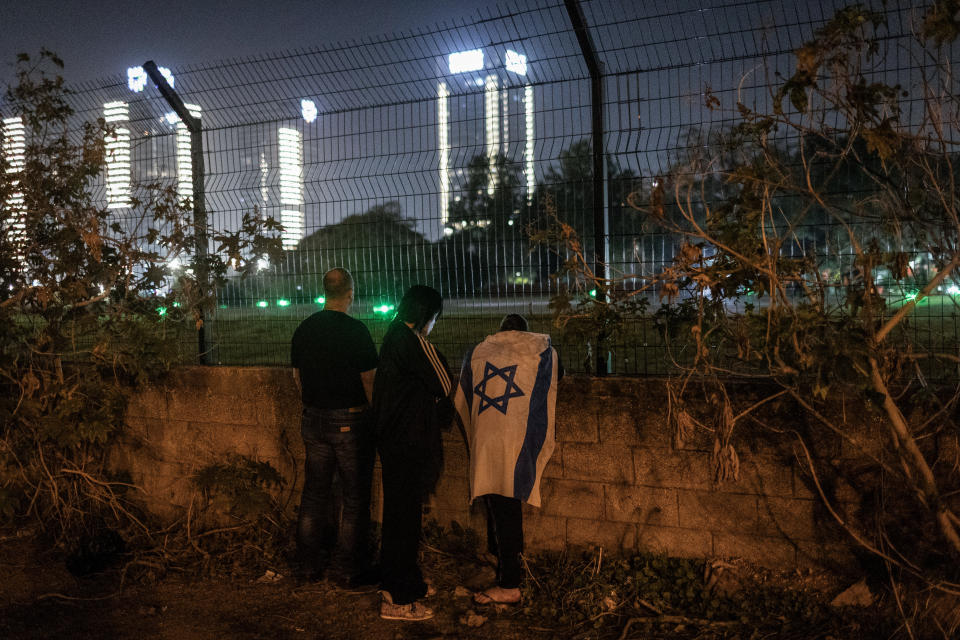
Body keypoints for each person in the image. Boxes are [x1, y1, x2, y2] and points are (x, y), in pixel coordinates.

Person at [454, 313, 562, 606]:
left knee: (500, 507)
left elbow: (462, 394)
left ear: (500, 332)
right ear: (524, 333)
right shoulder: (541, 352)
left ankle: (510, 582)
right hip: (516, 442)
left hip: (487, 443)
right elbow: (553, 380)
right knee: (506, 508)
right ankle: (506, 567)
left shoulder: (477, 352)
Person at [290, 268, 378, 586]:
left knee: (314, 494)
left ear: (324, 292)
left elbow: (297, 378)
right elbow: (370, 381)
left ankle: (308, 566)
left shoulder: (305, 329)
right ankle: (347, 569)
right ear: (350, 293)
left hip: (313, 419)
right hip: (350, 421)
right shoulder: (357, 331)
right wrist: (375, 414)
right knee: (354, 498)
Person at [372, 285, 452, 621]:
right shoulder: (412, 340)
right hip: (408, 444)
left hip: (393, 441)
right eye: (434, 318)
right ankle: (398, 597)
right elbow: (445, 382)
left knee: (398, 516)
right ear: (426, 316)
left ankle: (404, 582)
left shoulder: (392, 337)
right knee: (403, 520)